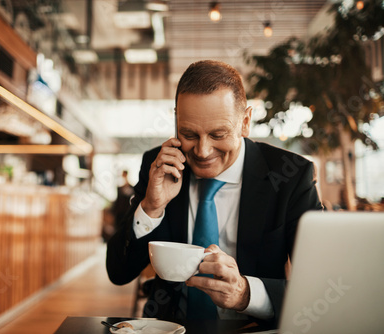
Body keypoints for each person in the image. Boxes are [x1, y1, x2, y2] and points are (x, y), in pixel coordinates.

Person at [106, 60, 322, 327]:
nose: (202, 151)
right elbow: (118, 272)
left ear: (245, 122)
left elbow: (320, 287)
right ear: (176, 121)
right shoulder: (159, 165)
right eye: (189, 134)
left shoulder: (292, 176)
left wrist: (245, 294)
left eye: (218, 134)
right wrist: (151, 207)